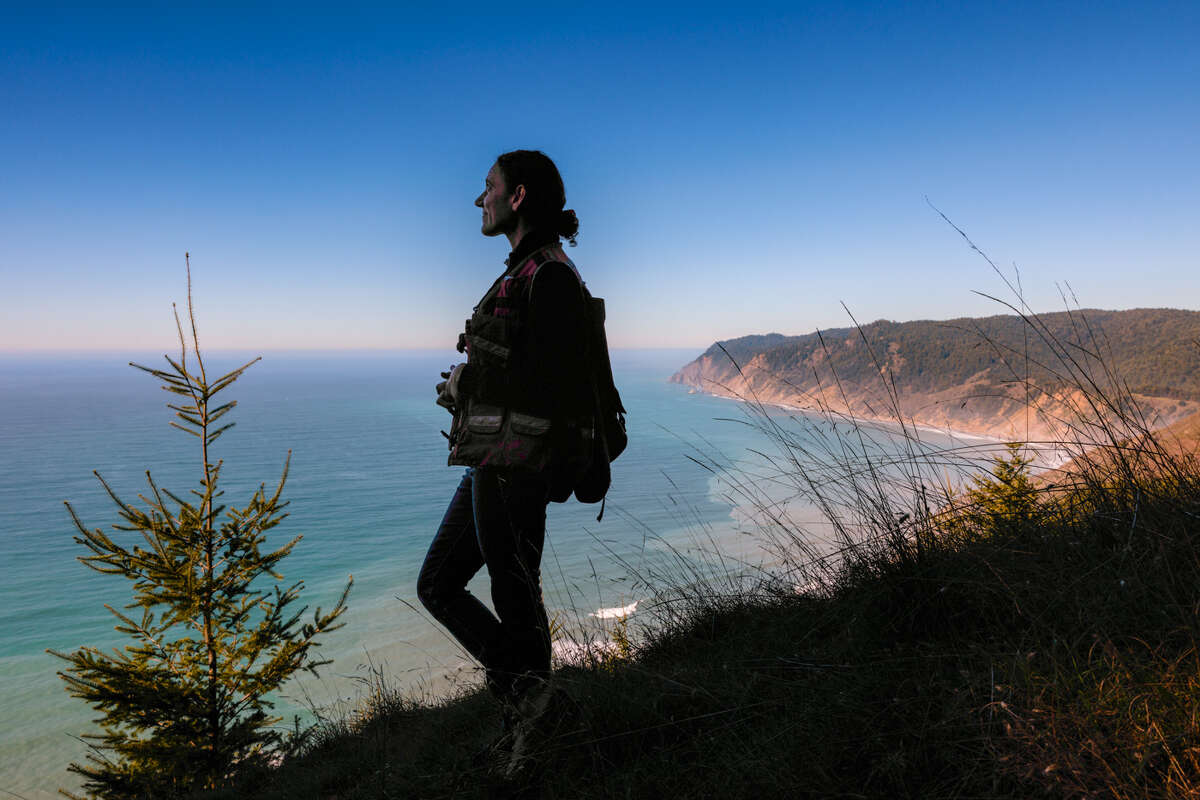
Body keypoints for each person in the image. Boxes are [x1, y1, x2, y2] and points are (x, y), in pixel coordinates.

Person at [416, 150, 592, 776]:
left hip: (518, 466)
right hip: (494, 462)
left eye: (487, 186)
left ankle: (535, 714)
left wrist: (467, 385)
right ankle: (534, 699)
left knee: (515, 594)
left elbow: (553, 385)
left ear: (516, 197)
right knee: (439, 584)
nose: (478, 198)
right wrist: (471, 381)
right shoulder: (528, 268)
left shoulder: (551, 276)